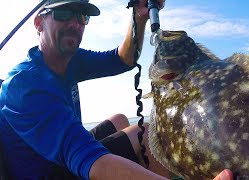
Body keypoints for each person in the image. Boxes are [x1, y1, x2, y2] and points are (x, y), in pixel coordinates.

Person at [0, 0, 233, 179]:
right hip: (48, 172)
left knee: (121, 119)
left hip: (58, 154)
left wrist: (139, 17)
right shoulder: (26, 86)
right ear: (39, 23)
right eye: (63, 14)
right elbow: (94, 163)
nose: (74, 24)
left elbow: (122, 59)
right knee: (149, 138)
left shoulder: (69, 60)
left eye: (82, 17)